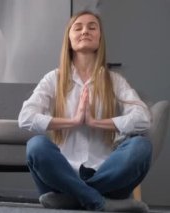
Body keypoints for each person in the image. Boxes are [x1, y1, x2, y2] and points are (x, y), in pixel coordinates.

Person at [18, 11, 152, 212]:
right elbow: (25, 118)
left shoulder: (114, 81)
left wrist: (95, 122)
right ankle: (100, 202)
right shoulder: (53, 79)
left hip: (106, 175)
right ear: (69, 38)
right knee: (36, 146)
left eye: (92, 27)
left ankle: (75, 197)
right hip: (61, 175)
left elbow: (143, 118)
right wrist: (73, 121)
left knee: (141, 147)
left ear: (99, 38)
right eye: (78, 27)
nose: (85, 31)